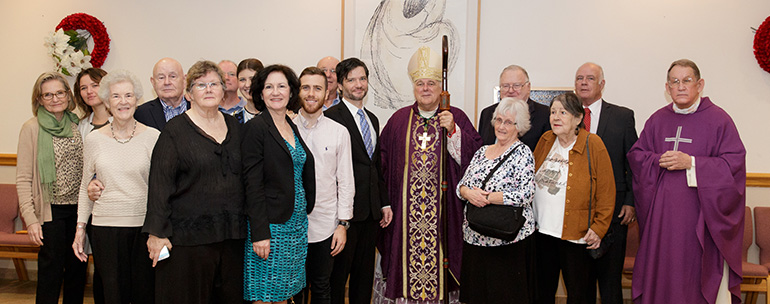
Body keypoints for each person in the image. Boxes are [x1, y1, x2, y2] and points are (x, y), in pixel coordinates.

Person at [628, 59, 745, 304]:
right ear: (667, 87)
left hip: (701, 220)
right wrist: (659, 159)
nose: (681, 87)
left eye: (687, 81)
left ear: (700, 84)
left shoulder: (719, 120)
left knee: (692, 277)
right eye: (675, 82)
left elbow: (733, 164)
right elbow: (637, 156)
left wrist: (691, 162)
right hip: (662, 222)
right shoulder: (657, 120)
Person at [374, 46, 482, 303]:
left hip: (445, 213)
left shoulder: (456, 117)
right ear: (414, 87)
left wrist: (455, 132)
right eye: (420, 83)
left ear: (440, 87)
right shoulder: (399, 120)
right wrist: (385, 202)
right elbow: (382, 164)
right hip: (404, 215)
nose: (425, 88)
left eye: (431, 83)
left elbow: (477, 159)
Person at [142, 60, 247, 304]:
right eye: (201, 85)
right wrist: (156, 233)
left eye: (214, 84)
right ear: (189, 93)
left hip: (231, 236)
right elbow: (159, 184)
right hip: (189, 240)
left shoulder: (235, 126)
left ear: (223, 90)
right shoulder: (174, 130)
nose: (209, 89)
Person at [72, 70, 159, 303]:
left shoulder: (153, 137)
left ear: (137, 99)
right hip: (104, 229)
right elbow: (84, 186)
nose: (123, 102)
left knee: (144, 294)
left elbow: (161, 188)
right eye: (116, 96)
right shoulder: (94, 139)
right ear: (107, 102)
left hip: (143, 229)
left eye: (128, 95)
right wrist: (80, 229)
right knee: (113, 295)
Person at [242, 64, 316, 304]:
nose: (276, 92)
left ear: (291, 92)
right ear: (261, 93)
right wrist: (260, 234)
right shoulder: (256, 128)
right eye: (269, 87)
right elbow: (252, 185)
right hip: (271, 228)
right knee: (265, 294)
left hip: (295, 225)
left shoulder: (290, 125)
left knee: (284, 293)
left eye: (281, 86)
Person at [532, 92, 615, 304]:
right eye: (552, 112)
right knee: (542, 292)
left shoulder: (593, 144)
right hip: (542, 232)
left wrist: (599, 228)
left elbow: (606, 191)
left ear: (578, 118)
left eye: (563, 112)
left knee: (579, 295)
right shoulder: (545, 140)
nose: (556, 117)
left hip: (576, 236)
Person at [16, 71, 88, 303]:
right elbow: (24, 178)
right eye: (48, 95)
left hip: (79, 209)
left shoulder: (78, 123)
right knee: (51, 272)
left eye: (59, 92)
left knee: (78, 269)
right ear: (39, 99)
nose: (55, 98)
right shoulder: (32, 128)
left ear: (68, 95)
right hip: (50, 211)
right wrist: (31, 219)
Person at [456, 98, 536, 304]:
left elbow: (526, 193)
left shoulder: (523, 154)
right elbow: (460, 186)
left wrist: (488, 198)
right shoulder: (482, 152)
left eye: (508, 122)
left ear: (519, 127)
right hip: (474, 237)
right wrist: (468, 193)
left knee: (504, 296)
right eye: (499, 120)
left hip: (506, 239)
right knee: (477, 295)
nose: (501, 126)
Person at [325, 58, 391, 304]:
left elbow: (374, 167)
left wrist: (383, 203)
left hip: (370, 214)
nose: (358, 84)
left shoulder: (372, 119)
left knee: (363, 282)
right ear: (340, 85)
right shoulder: (331, 117)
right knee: (337, 280)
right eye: (351, 79)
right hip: (343, 217)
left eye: (362, 78)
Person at [574, 62, 638, 304]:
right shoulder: (566, 116)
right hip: (576, 213)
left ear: (602, 84)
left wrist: (631, 201)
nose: (583, 82)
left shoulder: (622, 116)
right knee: (581, 282)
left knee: (610, 282)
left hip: (614, 211)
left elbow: (633, 162)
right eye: (579, 78)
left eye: (590, 78)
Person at [292, 67, 354, 304]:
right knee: (292, 290)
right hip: (291, 226)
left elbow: (346, 182)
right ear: (298, 91)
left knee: (321, 287)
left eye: (317, 88)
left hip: (325, 226)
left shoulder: (339, 132)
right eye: (305, 87)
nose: (311, 93)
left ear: (327, 92)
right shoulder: (285, 129)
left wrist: (343, 225)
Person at [478, 65, 550, 150]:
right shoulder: (487, 113)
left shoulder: (545, 114)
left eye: (516, 85)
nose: (511, 90)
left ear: (528, 87)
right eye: (505, 86)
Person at [134, 57, 190, 131]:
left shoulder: (200, 109)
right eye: (161, 78)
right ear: (153, 83)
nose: (167, 82)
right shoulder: (141, 114)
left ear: (184, 80)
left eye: (172, 76)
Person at [74, 68, 111, 138]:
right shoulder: (81, 126)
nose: (89, 91)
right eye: (83, 88)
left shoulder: (123, 118)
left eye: (94, 85)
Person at [235, 58, 264, 123]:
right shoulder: (234, 120)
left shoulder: (275, 115)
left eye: (253, 79)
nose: (247, 85)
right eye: (242, 80)